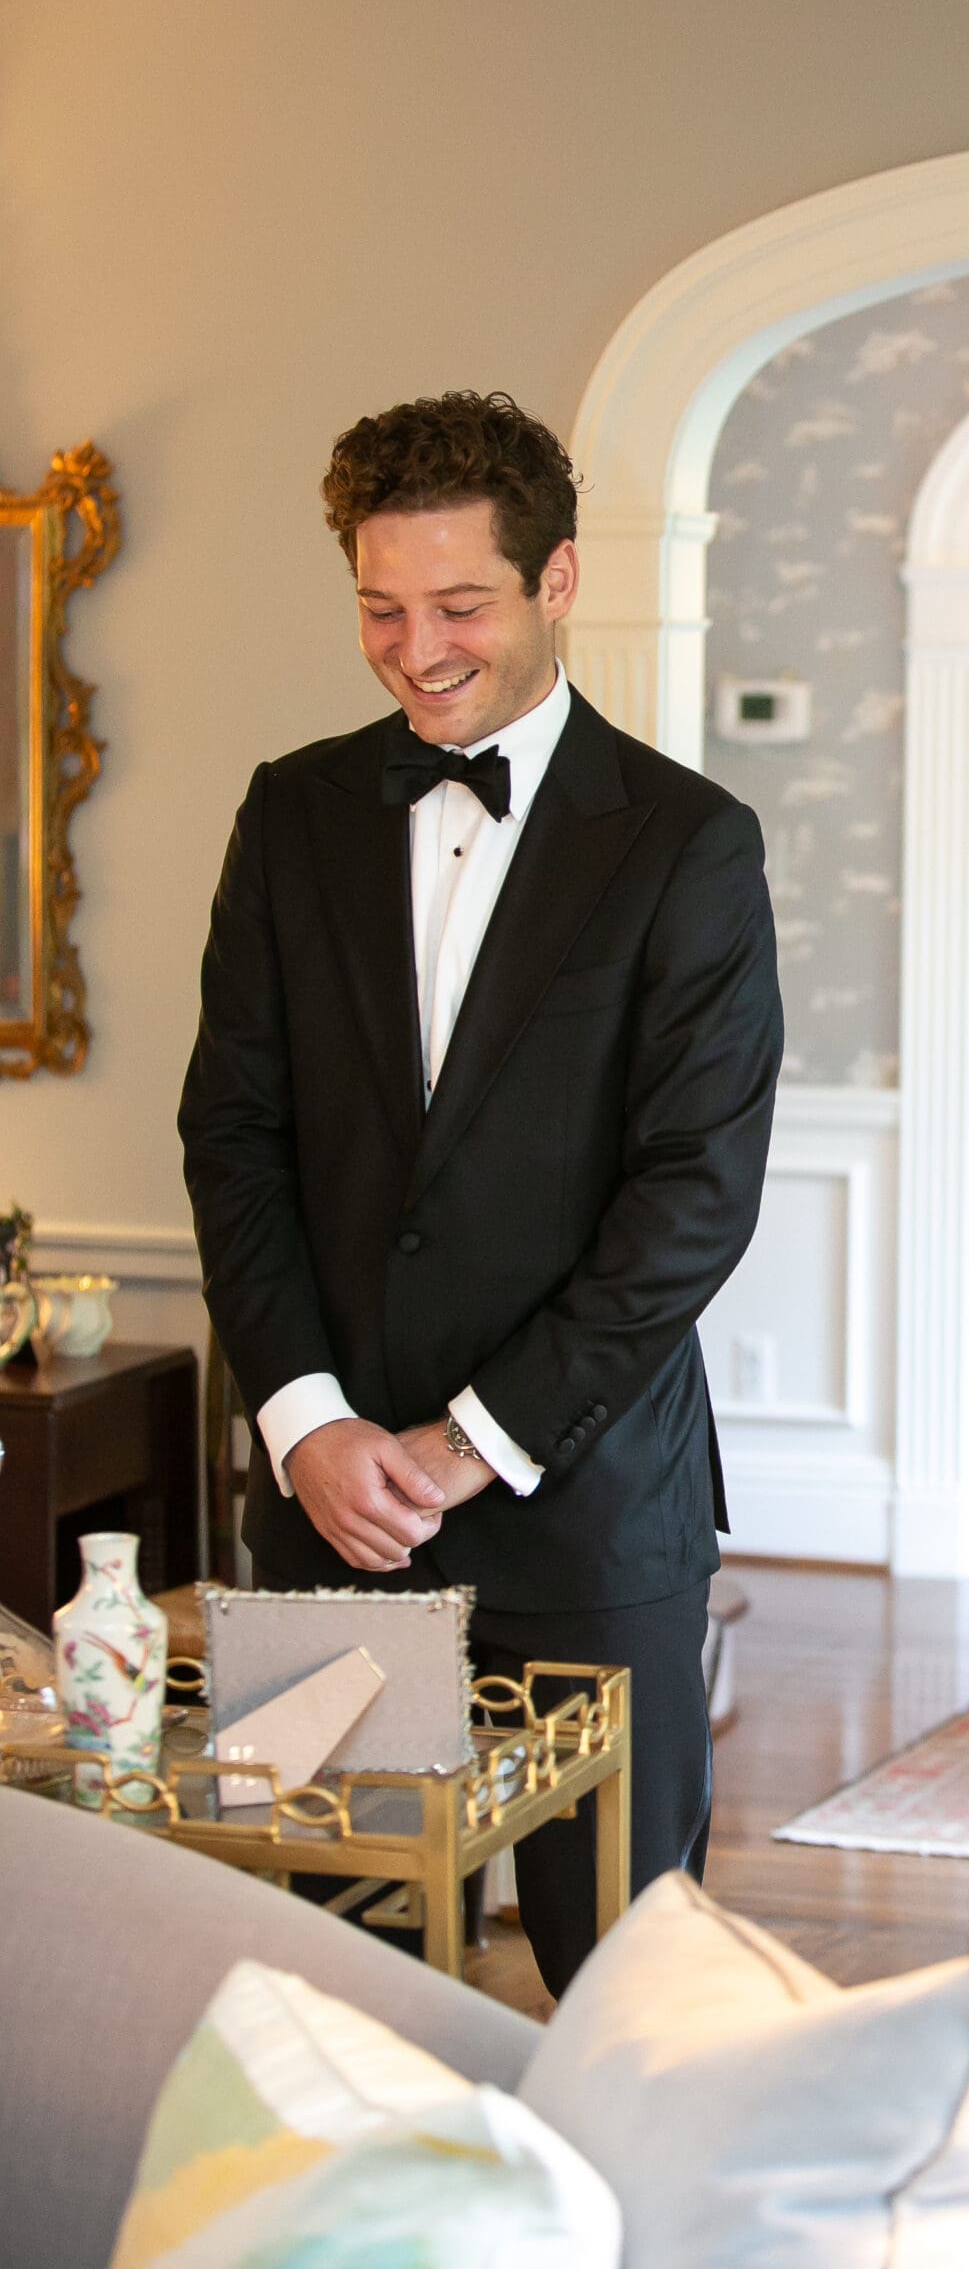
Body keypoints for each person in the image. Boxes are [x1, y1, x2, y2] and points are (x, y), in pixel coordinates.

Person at [180, 390, 784, 1995]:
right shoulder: (290, 813)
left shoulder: (688, 845)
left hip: (584, 1512)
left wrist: (466, 1448)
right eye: (382, 608)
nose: (415, 647)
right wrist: (308, 1426)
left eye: (459, 606)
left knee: (626, 1982)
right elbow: (232, 1135)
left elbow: (691, 1201)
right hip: (334, 1514)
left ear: (558, 580)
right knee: (313, 1970)